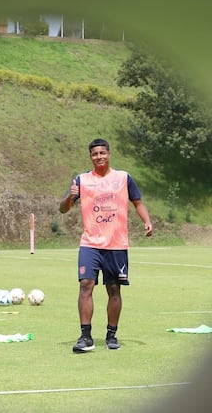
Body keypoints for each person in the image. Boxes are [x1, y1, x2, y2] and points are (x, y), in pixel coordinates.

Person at [59, 138, 152, 353]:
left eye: (102, 153)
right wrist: (70, 197)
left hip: (116, 245)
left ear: (109, 154)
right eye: (94, 154)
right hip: (90, 243)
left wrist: (146, 220)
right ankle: (85, 337)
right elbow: (63, 209)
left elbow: (138, 202)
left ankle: (112, 334)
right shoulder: (81, 180)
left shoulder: (124, 178)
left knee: (114, 289)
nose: (99, 157)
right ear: (90, 157)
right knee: (85, 285)